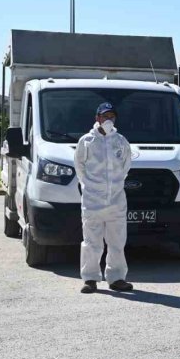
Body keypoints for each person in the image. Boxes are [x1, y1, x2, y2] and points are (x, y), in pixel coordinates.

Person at [74, 102, 133, 294]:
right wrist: (91, 188)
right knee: (91, 241)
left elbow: (125, 168)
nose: (109, 120)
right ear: (97, 118)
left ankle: (116, 278)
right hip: (93, 201)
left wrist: (113, 187)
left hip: (116, 201)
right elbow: (80, 167)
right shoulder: (86, 141)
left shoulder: (121, 141)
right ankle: (90, 278)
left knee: (117, 242)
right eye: (105, 116)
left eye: (112, 117)